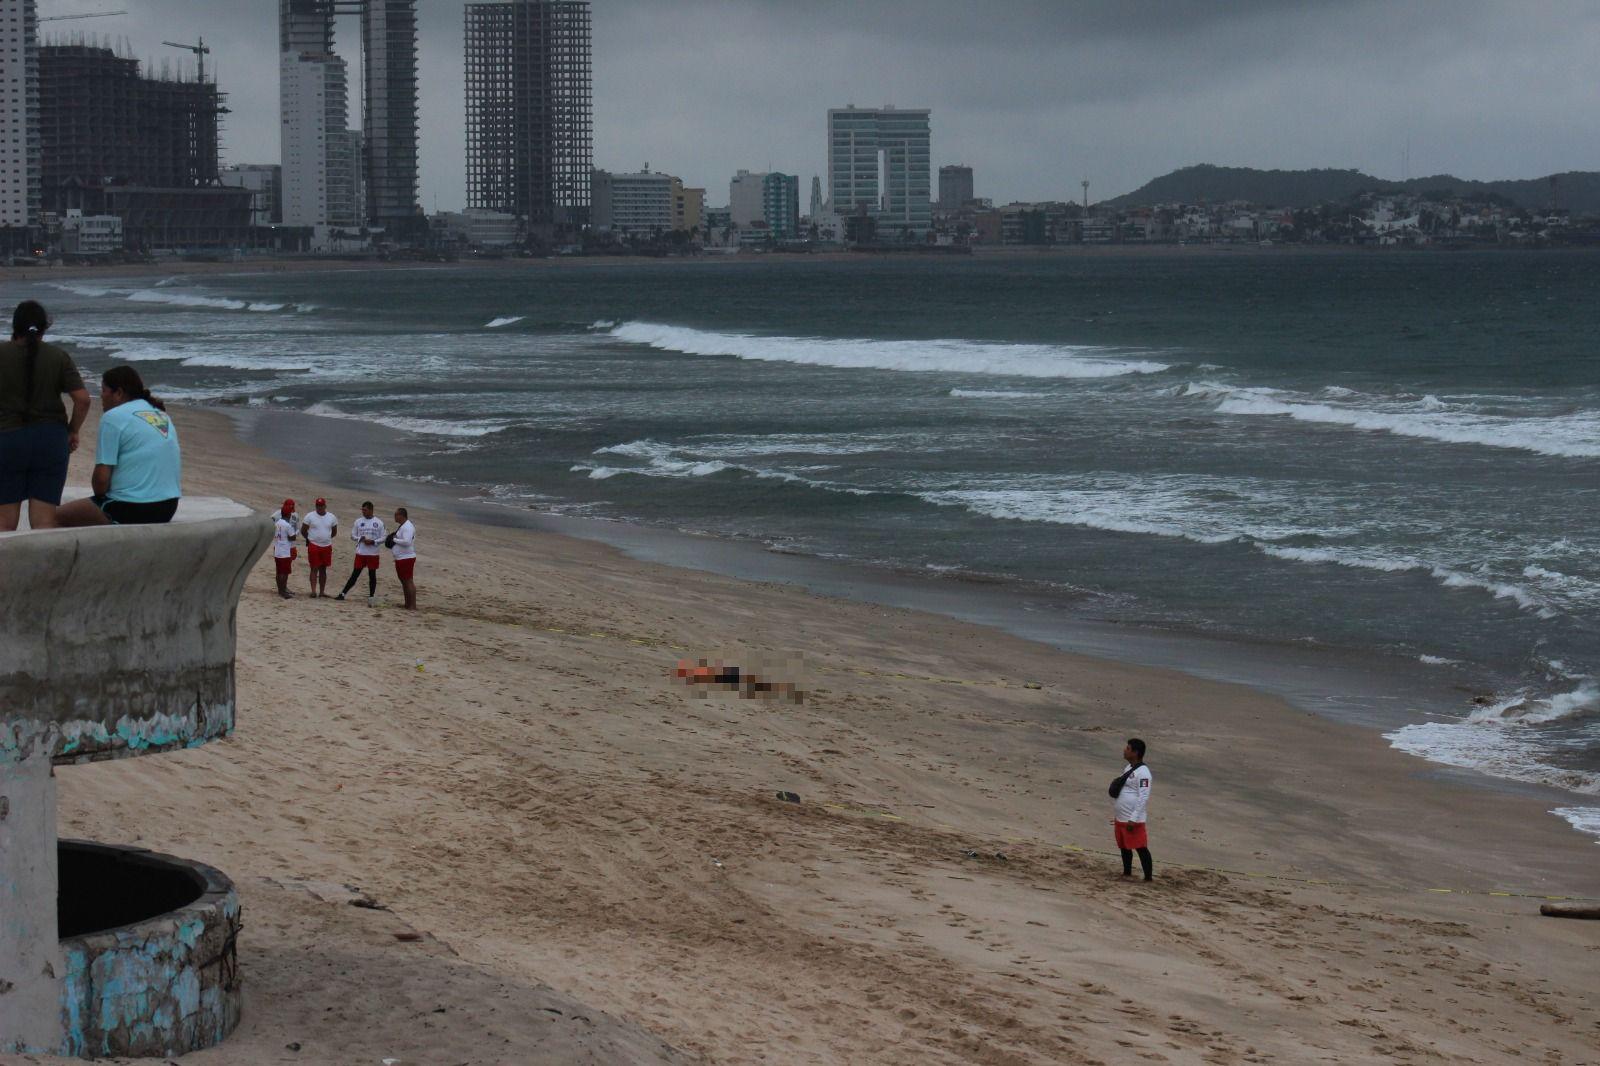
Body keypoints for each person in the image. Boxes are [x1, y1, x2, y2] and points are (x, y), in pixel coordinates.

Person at [0, 300, 91, 532]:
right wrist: (73, 430)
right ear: (44, 328)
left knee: (5, 523)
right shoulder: (58, 356)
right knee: (44, 523)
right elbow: (82, 400)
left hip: (8, 439)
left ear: (15, 326)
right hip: (51, 440)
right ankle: (45, 569)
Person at [56, 366, 181, 527]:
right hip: (168, 506)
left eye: (104, 390)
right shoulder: (161, 414)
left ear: (119, 393)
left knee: (51, 518)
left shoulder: (112, 417)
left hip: (132, 506)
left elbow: (100, 483)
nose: (101, 396)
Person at [1110, 738, 1153, 882]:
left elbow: (1143, 797)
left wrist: (1133, 818)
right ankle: (1126, 872)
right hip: (1121, 816)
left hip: (1133, 819)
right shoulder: (1128, 768)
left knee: (1140, 847)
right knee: (1124, 846)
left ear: (1135, 752)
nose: (1124, 750)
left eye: (1128, 748)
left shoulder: (1144, 773)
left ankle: (1148, 878)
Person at [336, 500, 384, 602]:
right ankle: (343, 593)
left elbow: (383, 537)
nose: (363, 512)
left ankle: (371, 597)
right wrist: (360, 538)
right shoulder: (358, 521)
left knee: (372, 575)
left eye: (365, 510)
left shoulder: (379, 522)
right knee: (355, 574)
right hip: (361, 552)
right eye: (362, 510)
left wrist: (373, 542)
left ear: (371, 510)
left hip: (373, 553)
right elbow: (352, 535)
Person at [300, 497, 338, 598]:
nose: (320, 507)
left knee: (323, 569)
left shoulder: (331, 517)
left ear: (325, 506)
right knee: (314, 568)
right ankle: (313, 591)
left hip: (326, 546)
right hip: (314, 545)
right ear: (316, 506)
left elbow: (334, 531)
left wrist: (326, 538)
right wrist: (309, 539)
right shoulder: (310, 516)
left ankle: (322, 592)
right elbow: (303, 530)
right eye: (318, 506)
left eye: (321, 506)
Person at [388, 506, 417, 610]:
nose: (394, 517)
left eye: (396, 515)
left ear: (401, 515)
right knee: (403, 581)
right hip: (401, 557)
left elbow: (407, 542)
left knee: (408, 581)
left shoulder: (407, 527)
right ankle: (407, 604)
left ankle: (412, 605)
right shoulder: (402, 526)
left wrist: (394, 540)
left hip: (406, 557)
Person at [272, 498, 299, 599]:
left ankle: (280, 590)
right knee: (284, 572)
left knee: (279, 572)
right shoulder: (288, 525)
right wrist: (292, 535)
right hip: (285, 552)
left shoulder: (277, 523)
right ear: (288, 515)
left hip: (278, 550)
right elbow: (292, 537)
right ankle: (283, 591)